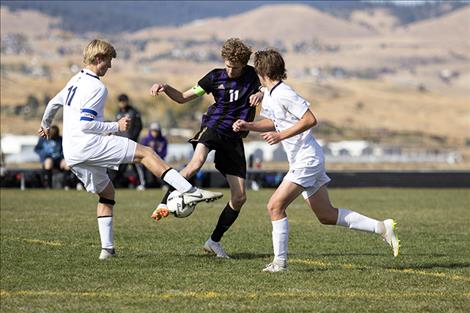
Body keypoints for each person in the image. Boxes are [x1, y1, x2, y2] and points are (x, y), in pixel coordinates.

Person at [38, 39, 222, 260]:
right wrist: (116, 126)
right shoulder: (96, 86)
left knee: (107, 193)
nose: (110, 66)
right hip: (88, 144)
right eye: (108, 61)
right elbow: (85, 124)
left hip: (73, 152)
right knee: (146, 153)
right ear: (97, 59)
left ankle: (107, 250)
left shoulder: (74, 81)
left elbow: (52, 104)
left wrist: (45, 125)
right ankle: (189, 190)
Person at [233, 49, 400, 272]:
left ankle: (279, 263)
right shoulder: (271, 94)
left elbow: (310, 119)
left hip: (307, 159)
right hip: (304, 160)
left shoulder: (284, 93)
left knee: (275, 206)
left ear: (261, 70)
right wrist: (249, 126)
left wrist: (281, 136)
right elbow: (276, 122)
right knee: (326, 215)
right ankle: (382, 227)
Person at [149, 38, 263, 258]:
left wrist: (262, 93)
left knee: (239, 198)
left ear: (244, 65)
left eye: (235, 67)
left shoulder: (253, 75)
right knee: (196, 164)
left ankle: (213, 241)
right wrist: (165, 87)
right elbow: (183, 98)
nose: (230, 70)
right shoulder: (214, 77)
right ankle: (163, 204)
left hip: (234, 138)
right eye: (228, 65)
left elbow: (273, 87)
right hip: (213, 128)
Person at [112, 93, 145, 189]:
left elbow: (139, 126)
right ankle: (116, 183)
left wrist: (133, 138)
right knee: (120, 164)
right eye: (120, 101)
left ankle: (141, 183)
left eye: (123, 101)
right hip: (120, 142)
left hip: (131, 142)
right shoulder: (118, 113)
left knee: (136, 163)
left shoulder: (133, 112)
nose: (122, 103)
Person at [140, 122, 168, 188]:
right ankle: (143, 184)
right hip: (147, 160)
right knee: (141, 166)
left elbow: (164, 152)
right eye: (153, 131)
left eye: (156, 131)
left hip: (159, 159)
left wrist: (157, 158)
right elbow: (142, 151)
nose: (154, 133)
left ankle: (163, 184)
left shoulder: (163, 140)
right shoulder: (145, 140)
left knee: (163, 168)